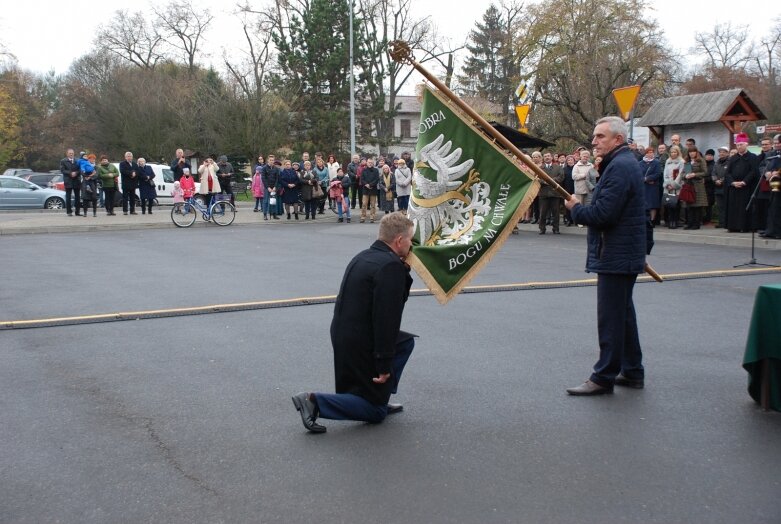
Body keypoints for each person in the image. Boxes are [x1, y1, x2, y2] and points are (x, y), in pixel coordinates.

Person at [291, 212, 417, 433]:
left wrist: (403, 272)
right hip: (362, 340)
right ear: (399, 241)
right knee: (375, 412)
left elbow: (390, 301)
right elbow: (386, 319)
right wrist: (384, 364)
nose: (411, 244)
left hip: (345, 333)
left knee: (405, 342)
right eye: (410, 239)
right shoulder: (389, 267)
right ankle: (314, 401)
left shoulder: (366, 255)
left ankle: (378, 396)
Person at [564, 116, 646, 396]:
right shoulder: (622, 164)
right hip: (621, 250)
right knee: (623, 316)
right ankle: (633, 370)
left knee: (611, 317)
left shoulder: (620, 167)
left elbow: (602, 215)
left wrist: (575, 208)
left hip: (616, 252)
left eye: (600, 137)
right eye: (594, 136)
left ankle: (603, 376)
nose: (594, 141)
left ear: (618, 140)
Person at [725, 133, 758, 233]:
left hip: (746, 187)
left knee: (744, 207)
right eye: (738, 145)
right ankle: (733, 226)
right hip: (734, 187)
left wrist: (744, 182)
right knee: (733, 207)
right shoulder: (732, 158)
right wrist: (733, 182)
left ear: (746, 144)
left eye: (741, 145)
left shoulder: (752, 157)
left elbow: (753, 171)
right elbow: (727, 173)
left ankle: (744, 226)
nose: (739, 147)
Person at [538, 152, 564, 234]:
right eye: (545, 156)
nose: (547, 157)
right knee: (542, 213)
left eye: (548, 156)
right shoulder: (539, 168)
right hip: (543, 193)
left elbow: (561, 177)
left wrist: (552, 181)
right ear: (543, 158)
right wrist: (544, 181)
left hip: (555, 193)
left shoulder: (558, 167)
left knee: (556, 213)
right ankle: (542, 229)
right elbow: (537, 178)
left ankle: (556, 229)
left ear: (552, 157)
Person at [682, 146, 707, 229]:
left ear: (696, 152)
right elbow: (683, 173)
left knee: (697, 206)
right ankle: (690, 223)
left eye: (693, 152)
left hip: (698, 186)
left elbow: (705, 172)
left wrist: (695, 174)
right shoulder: (687, 162)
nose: (691, 153)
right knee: (689, 206)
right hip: (689, 185)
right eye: (690, 152)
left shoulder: (701, 160)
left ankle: (696, 224)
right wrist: (686, 175)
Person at [662, 145, 685, 229]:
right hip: (668, 186)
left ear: (678, 152)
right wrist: (667, 184)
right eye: (671, 152)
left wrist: (674, 185)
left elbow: (680, 174)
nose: (673, 154)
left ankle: (675, 221)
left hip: (676, 185)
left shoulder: (681, 161)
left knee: (676, 204)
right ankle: (670, 221)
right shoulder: (668, 161)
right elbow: (665, 173)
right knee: (669, 204)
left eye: (675, 152)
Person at [639, 147, 661, 223]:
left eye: (651, 152)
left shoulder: (656, 162)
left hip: (653, 186)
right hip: (644, 186)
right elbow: (638, 173)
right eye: (648, 152)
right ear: (646, 153)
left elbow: (658, 173)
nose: (650, 154)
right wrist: (643, 179)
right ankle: (645, 220)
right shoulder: (640, 163)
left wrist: (647, 179)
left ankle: (652, 220)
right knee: (644, 204)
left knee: (653, 204)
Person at [60, 149, 81, 216]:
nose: (71, 154)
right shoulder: (63, 161)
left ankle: (77, 212)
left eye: (72, 153)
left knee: (77, 197)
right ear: (67, 154)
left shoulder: (77, 160)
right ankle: (69, 212)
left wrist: (76, 173)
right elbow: (62, 170)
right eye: (70, 153)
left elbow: (80, 169)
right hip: (68, 180)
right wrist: (70, 173)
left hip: (76, 180)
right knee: (68, 197)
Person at [712, 146, 730, 228]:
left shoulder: (730, 162)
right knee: (720, 206)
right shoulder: (717, 163)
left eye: (724, 152)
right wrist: (716, 180)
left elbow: (728, 173)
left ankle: (727, 222)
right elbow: (713, 173)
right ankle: (721, 222)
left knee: (727, 206)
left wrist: (722, 180)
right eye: (720, 152)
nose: (721, 153)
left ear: (727, 153)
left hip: (726, 187)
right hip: (717, 187)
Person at [360, 158, 380, 223]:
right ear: (367, 163)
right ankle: (363, 217)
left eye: (371, 162)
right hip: (365, 189)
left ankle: (372, 217)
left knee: (373, 205)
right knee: (364, 204)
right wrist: (366, 184)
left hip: (373, 189)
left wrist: (370, 185)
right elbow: (362, 179)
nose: (370, 163)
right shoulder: (364, 170)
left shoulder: (376, 170)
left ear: (373, 163)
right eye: (369, 162)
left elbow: (377, 179)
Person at [261, 155, 280, 220]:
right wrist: (268, 187)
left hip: (274, 187)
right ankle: (265, 215)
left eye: (273, 160)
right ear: (268, 160)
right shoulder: (264, 168)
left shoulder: (276, 168)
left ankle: (274, 214)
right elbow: (263, 178)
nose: (272, 161)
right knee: (266, 201)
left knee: (274, 201)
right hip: (267, 188)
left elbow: (277, 178)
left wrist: (275, 187)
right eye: (270, 160)